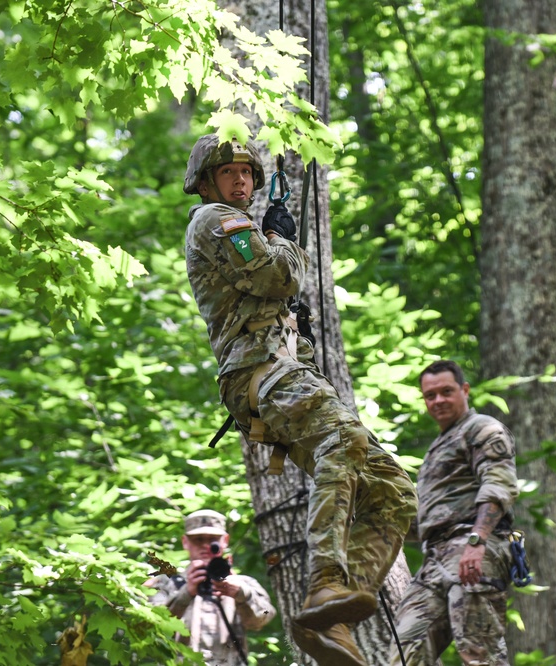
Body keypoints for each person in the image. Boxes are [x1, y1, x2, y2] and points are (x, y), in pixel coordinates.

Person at [181, 134, 418, 665]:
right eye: (228, 173)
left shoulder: (244, 227)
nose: (240, 180)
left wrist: (273, 237)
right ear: (205, 182)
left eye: (247, 172)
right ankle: (326, 582)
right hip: (260, 374)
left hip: (286, 373)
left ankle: (331, 619)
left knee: (395, 494)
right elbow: (277, 274)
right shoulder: (214, 220)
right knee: (344, 436)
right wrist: (283, 242)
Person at [389, 360, 519, 666]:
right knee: (405, 652)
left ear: (464, 390)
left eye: (446, 392)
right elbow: (426, 523)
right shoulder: (437, 448)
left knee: (479, 654)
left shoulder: (482, 428)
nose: (438, 401)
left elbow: (499, 485)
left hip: (474, 550)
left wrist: (477, 542)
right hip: (435, 559)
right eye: (430, 396)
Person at [146, 509, 276, 666]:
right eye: (198, 540)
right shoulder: (165, 584)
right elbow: (150, 625)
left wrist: (241, 594)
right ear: (185, 542)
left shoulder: (243, 583)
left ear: (225, 540)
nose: (205, 546)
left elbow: (261, 620)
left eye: (213, 540)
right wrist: (185, 593)